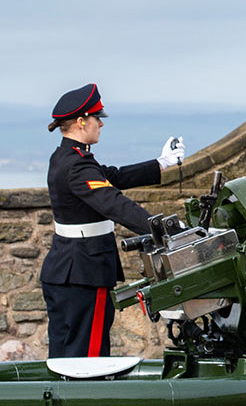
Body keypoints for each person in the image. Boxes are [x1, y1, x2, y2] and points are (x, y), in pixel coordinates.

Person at [41, 83, 185, 358]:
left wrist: (161, 163)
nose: (100, 124)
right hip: (84, 272)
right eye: (97, 118)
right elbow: (114, 204)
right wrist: (167, 231)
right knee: (88, 357)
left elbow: (112, 176)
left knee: (65, 355)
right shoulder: (77, 165)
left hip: (68, 270)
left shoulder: (66, 157)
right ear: (81, 121)